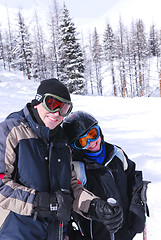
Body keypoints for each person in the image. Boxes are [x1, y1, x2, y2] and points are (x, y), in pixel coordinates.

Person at [0, 79, 123, 240]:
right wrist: (40, 202)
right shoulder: (11, 131)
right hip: (17, 233)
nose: (57, 113)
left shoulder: (62, 142)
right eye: (52, 104)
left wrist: (94, 206)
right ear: (38, 100)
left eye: (64, 108)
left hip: (55, 234)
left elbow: (71, 187)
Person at [62, 111, 146, 240]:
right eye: (82, 142)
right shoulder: (76, 167)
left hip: (124, 231)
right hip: (97, 233)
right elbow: (72, 200)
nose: (91, 142)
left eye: (92, 134)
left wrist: (136, 205)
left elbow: (133, 177)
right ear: (75, 146)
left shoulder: (116, 154)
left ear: (99, 130)